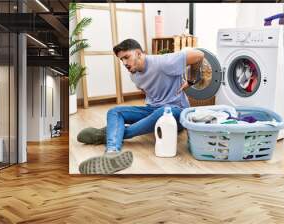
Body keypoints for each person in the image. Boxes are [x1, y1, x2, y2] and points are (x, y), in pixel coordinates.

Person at [78, 39, 204, 174]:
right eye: (121, 60)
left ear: (138, 53)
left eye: (126, 57)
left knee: (161, 111)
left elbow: (199, 55)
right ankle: (112, 153)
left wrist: (191, 81)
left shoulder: (164, 62)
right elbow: (146, 92)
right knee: (115, 111)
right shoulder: (134, 75)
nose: (124, 63)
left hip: (175, 112)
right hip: (153, 109)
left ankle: (106, 134)